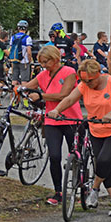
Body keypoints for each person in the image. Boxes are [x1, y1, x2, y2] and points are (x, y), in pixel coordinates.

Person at [48, 59, 111, 217]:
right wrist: (57, 110)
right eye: (84, 81)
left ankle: (94, 188)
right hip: (96, 130)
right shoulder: (84, 85)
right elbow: (71, 99)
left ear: (98, 74)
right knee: (104, 165)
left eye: (90, 80)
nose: (87, 84)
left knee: (104, 161)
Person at [24, 46, 81, 205]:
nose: (44, 65)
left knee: (76, 156)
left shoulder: (69, 72)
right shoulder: (43, 74)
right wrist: (16, 89)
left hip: (71, 120)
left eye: (46, 62)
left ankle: (81, 188)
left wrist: (41, 95)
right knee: (54, 156)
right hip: (51, 121)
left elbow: (64, 95)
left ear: (55, 58)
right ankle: (58, 192)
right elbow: (28, 85)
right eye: (41, 62)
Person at [9, 20, 33, 86]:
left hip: (15, 60)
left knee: (14, 80)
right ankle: (24, 95)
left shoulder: (13, 37)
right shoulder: (27, 38)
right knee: (24, 81)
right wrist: (29, 60)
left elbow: (10, 50)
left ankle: (13, 95)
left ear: (18, 28)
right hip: (24, 62)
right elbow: (29, 52)